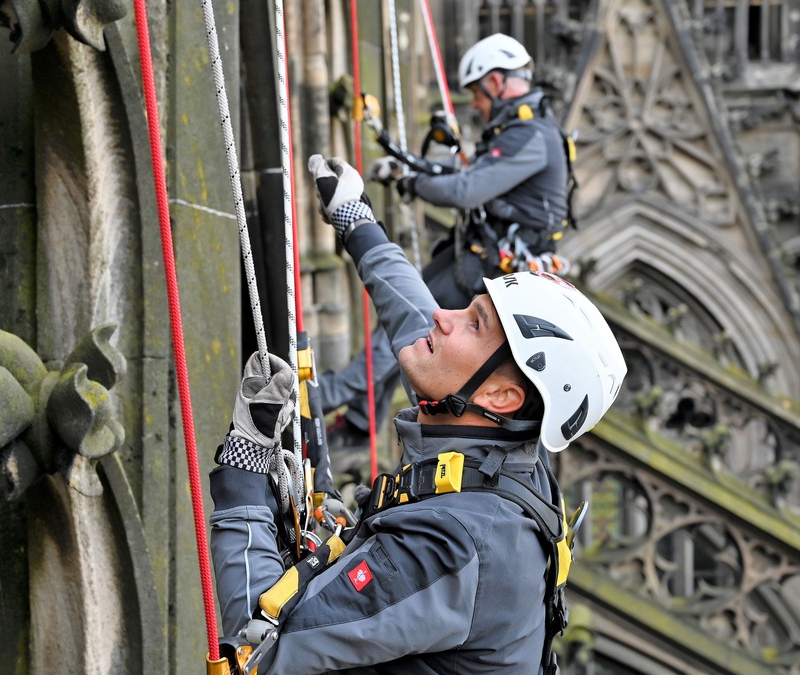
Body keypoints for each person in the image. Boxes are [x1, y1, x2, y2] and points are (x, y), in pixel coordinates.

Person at [208, 155, 624, 673]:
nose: (442, 317)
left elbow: (259, 656)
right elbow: (414, 318)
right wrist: (356, 221)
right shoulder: (496, 453)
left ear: (501, 397)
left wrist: (243, 471)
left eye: (473, 323)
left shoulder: (456, 545)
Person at [320, 33, 574, 454]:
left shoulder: (533, 134)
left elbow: (466, 189)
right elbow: (473, 166)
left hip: (487, 266)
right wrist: (410, 165)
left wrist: (411, 180)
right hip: (481, 257)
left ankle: (326, 396)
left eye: (476, 92)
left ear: (495, 82)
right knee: (405, 328)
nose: (473, 103)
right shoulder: (522, 129)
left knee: (411, 327)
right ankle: (361, 421)